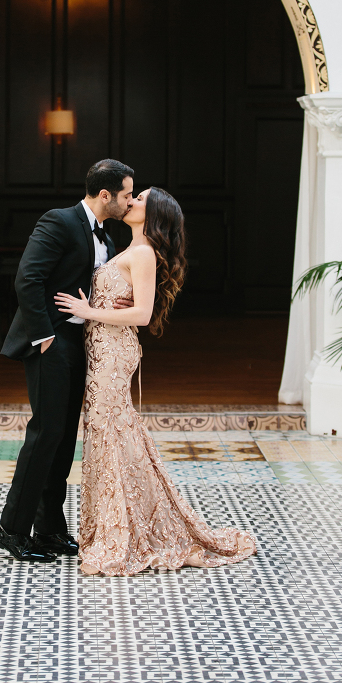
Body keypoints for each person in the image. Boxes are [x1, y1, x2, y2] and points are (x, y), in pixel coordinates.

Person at [55, 186, 257, 575]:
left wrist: (87, 310)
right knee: (106, 431)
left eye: (141, 198)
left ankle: (130, 529)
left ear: (155, 214)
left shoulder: (144, 253)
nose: (131, 201)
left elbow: (143, 315)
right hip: (102, 350)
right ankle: (117, 523)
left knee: (111, 429)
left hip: (114, 354)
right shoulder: (127, 248)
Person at [0, 159, 136, 563]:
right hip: (51, 342)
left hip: (79, 341)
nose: (129, 201)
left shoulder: (107, 235)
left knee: (61, 439)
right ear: (105, 194)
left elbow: (95, 284)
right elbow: (28, 278)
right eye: (126, 194)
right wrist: (45, 338)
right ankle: (12, 529)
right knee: (45, 434)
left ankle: (50, 529)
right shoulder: (59, 221)